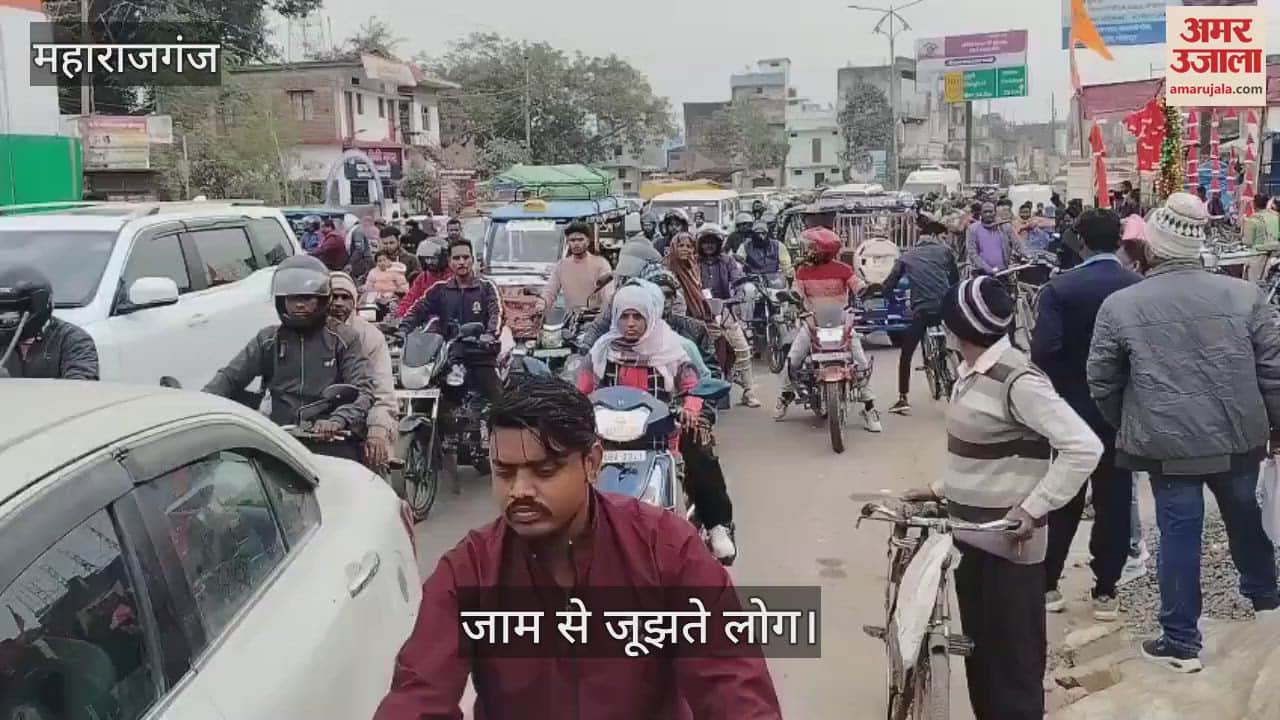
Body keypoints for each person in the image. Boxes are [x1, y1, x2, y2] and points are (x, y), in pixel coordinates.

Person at [372, 374, 783, 720]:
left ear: (592, 462)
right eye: (505, 472)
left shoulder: (665, 547)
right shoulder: (471, 569)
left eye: (544, 470)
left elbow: (732, 682)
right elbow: (419, 693)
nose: (520, 491)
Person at [1088, 192, 1280, 673]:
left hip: (1166, 443)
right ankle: (1267, 604)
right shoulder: (1245, 296)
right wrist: (1276, 427)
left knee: (1179, 532)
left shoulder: (1121, 305)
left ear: (1152, 246)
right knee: (1243, 514)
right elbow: (1273, 371)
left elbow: (1102, 381)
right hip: (1238, 436)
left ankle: (1180, 641)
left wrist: (1128, 422)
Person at [909, 276, 1101, 719]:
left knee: (1012, 668)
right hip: (973, 540)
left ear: (959, 328)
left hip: (1009, 548)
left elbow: (1083, 447)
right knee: (983, 660)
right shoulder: (972, 373)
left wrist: (1034, 507)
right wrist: (941, 489)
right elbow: (988, 449)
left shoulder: (1017, 379)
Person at [1030, 209, 1142, 621]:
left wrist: (1063, 389)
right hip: (1120, 412)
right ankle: (1106, 592)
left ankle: (1048, 585)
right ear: (1118, 242)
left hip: (1070, 410)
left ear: (1081, 241)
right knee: (1114, 500)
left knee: (1064, 496)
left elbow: (1043, 352)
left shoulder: (1060, 288)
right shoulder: (1135, 287)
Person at [578, 283, 738, 561]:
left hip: (662, 436)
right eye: (624, 316)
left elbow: (692, 384)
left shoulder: (671, 349)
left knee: (700, 456)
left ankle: (716, 526)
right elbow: (581, 389)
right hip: (607, 439)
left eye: (637, 317)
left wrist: (690, 407)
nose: (630, 324)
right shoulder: (601, 352)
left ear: (650, 316)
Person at [203, 255, 376, 462]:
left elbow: (363, 389)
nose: (300, 305)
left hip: (332, 439)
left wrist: (338, 419)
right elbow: (230, 377)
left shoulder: (343, 338)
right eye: (293, 298)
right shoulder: (268, 339)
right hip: (282, 436)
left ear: (322, 299)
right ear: (281, 300)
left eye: (307, 298)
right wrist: (202, 404)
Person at [774, 227, 881, 432]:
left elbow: (857, 285)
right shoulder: (802, 271)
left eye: (811, 247)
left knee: (860, 362)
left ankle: (869, 407)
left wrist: (868, 290)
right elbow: (796, 291)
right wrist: (792, 296)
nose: (807, 251)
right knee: (794, 358)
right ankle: (785, 396)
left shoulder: (843, 269)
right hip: (812, 322)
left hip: (841, 322)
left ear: (821, 251)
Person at [400, 238, 503, 404]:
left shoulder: (486, 287)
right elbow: (417, 309)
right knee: (423, 393)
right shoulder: (440, 289)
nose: (461, 262)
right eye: (456, 258)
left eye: (465, 257)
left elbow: (496, 314)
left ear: (472, 260)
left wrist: (490, 335)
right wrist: (403, 329)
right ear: (449, 262)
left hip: (480, 352)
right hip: (447, 355)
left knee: (497, 400)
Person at [675, 227, 759, 408]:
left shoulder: (727, 261)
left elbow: (738, 280)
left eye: (712, 242)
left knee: (742, 348)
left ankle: (749, 391)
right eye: (705, 242)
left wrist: (738, 294)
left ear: (719, 244)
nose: (709, 246)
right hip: (698, 315)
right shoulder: (692, 263)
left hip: (725, 310)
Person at [883, 216, 960, 415]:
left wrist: (885, 295)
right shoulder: (945, 252)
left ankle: (902, 398)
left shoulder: (906, 257)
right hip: (946, 308)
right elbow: (955, 280)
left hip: (922, 310)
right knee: (959, 345)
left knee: (906, 353)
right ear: (935, 236)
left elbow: (889, 285)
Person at [329, 271, 398, 469]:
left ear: (355, 302)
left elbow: (383, 393)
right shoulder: (313, 333)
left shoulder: (370, 337)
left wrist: (377, 429)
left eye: (345, 297)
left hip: (361, 421)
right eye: (334, 297)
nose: (339, 303)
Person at [0, 265, 98, 380]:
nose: (5, 318)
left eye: (14, 312)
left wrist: (9, 385)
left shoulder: (73, 340)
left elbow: (81, 389)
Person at [540, 221, 614, 311]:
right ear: (568, 242)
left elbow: (608, 293)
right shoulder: (561, 266)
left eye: (580, 239)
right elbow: (550, 291)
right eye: (572, 240)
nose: (576, 243)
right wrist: (541, 305)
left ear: (588, 241)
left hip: (595, 318)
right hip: (571, 319)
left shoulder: (601, 263)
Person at [397, 240, 452, 318]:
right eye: (426, 259)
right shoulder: (423, 277)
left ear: (444, 257)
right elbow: (410, 299)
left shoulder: (453, 276)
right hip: (424, 320)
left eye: (433, 258)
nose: (429, 262)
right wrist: (400, 316)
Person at [965, 202, 1018, 276]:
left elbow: (1017, 243)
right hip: (981, 273)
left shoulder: (1004, 226)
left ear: (995, 212)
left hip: (1004, 272)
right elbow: (972, 252)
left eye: (990, 211)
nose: (988, 214)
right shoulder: (973, 229)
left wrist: (1026, 256)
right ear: (981, 213)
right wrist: (988, 269)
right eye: (985, 212)